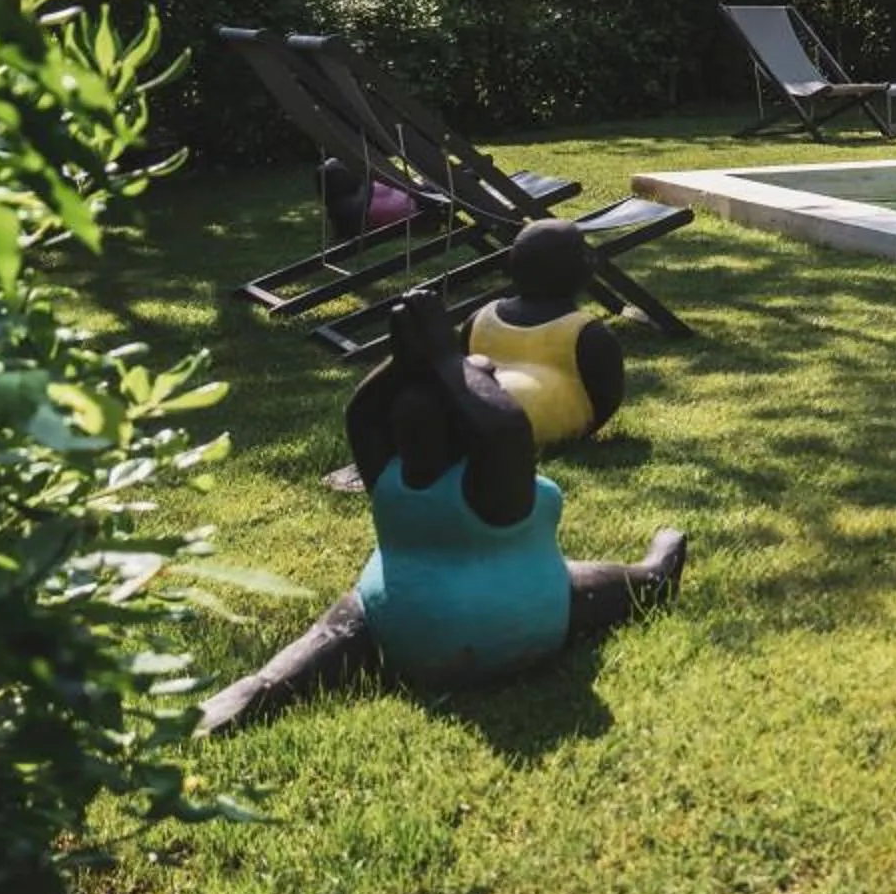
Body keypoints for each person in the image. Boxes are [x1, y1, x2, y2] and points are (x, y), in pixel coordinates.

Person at [198, 286, 687, 736]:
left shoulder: (388, 475)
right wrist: (447, 360)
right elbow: (507, 429)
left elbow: (362, 414)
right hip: (509, 623)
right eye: (482, 379)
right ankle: (651, 577)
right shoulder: (492, 485)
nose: (487, 378)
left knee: (340, 629)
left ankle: (262, 686)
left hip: (396, 621)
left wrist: (406, 361)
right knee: (588, 586)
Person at [464, 220, 626, 449]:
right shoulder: (589, 334)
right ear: (579, 270)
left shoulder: (479, 318)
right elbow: (606, 398)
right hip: (526, 428)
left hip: (469, 419)